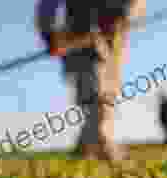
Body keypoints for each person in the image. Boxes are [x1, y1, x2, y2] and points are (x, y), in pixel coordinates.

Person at [35, 0, 146, 161]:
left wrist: (125, 14)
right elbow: (48, 5)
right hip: (82, 38)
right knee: (96, 99)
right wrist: (49, 34)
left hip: (110, 39)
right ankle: (102, 144)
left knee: (106, 96)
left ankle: (83, 149)